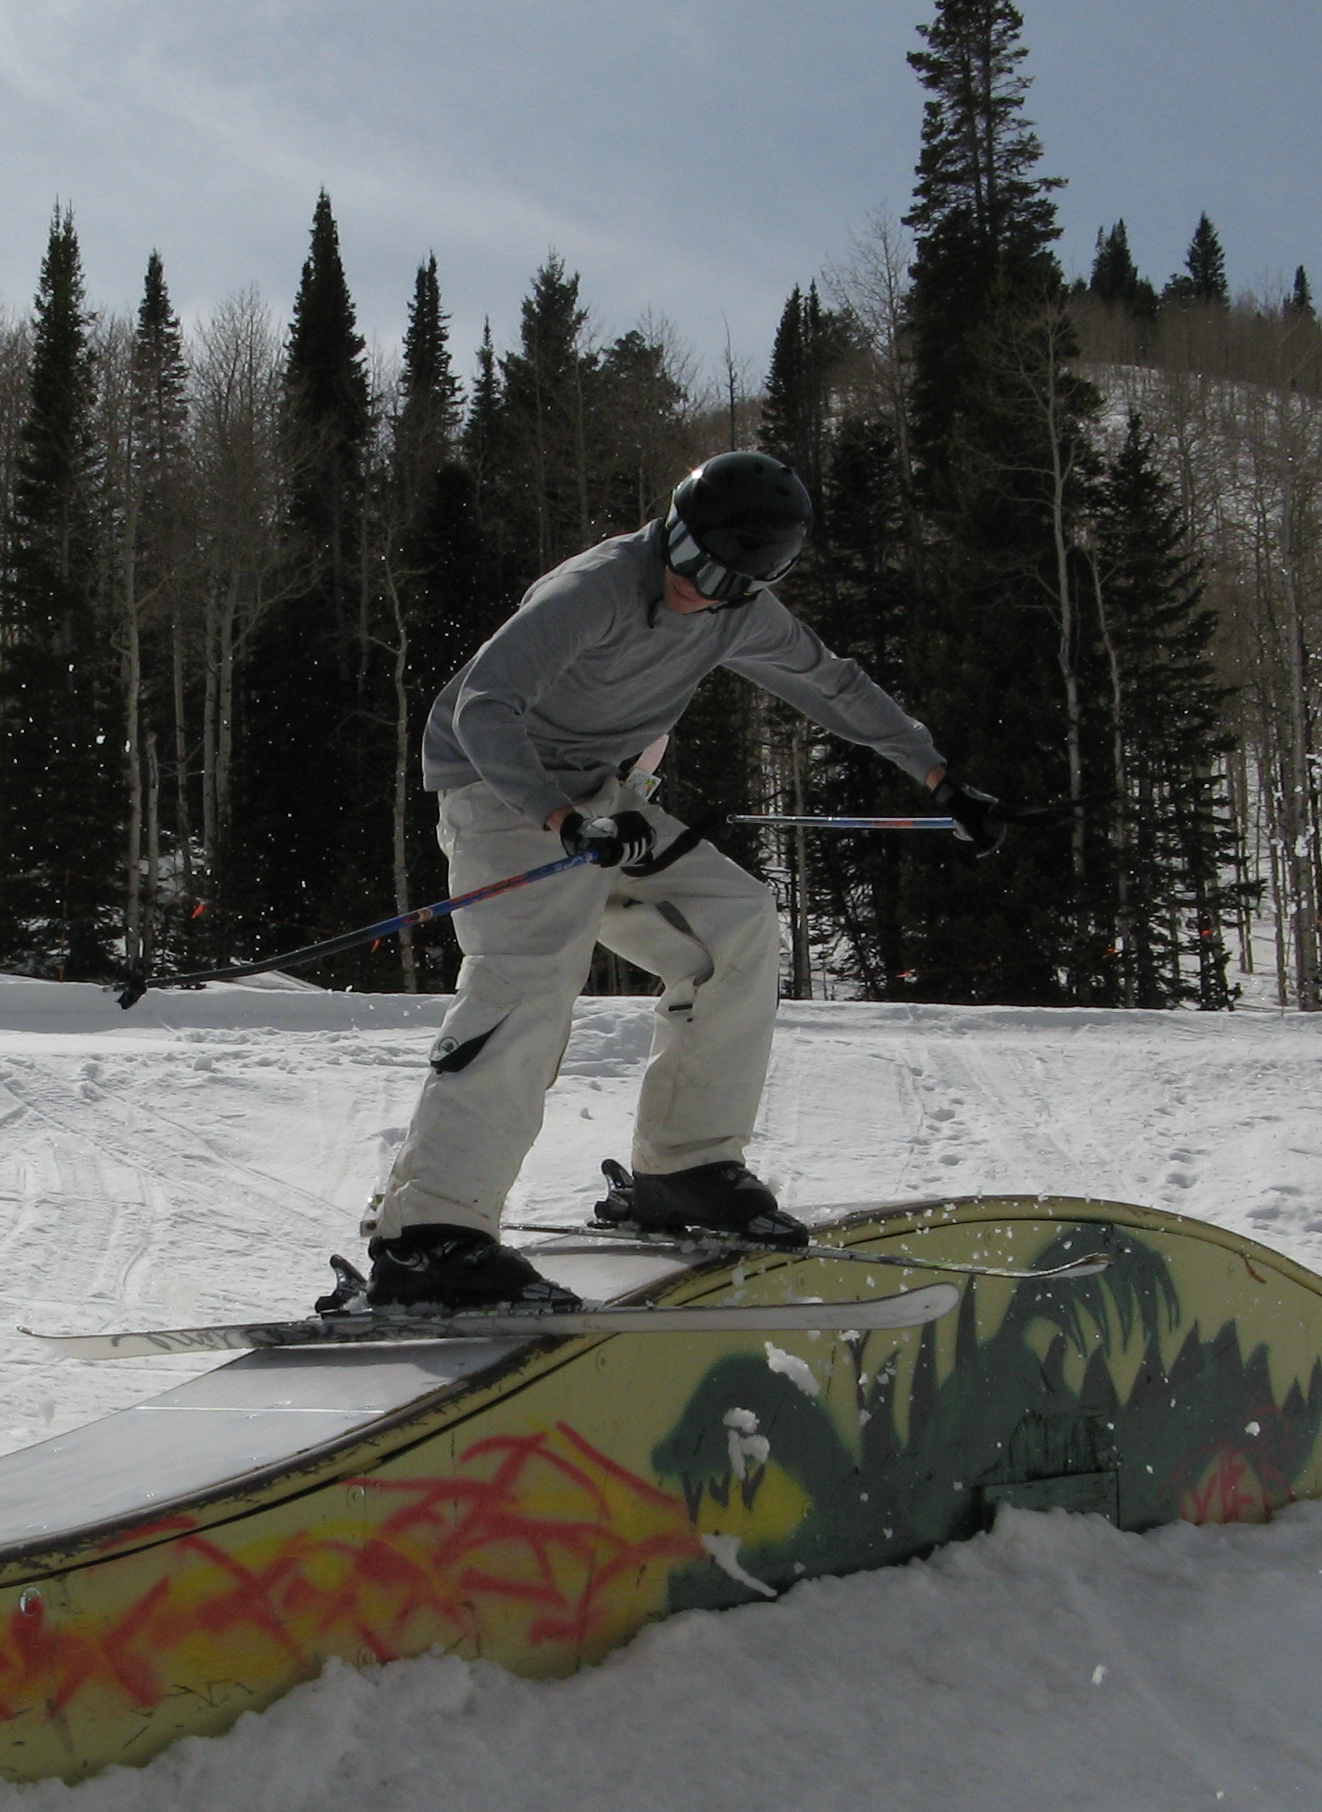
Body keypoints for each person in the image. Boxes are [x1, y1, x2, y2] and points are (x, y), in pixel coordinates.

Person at [360, 449, 1006, 1311]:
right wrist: (563, 819)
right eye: (689, 557)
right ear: (672, 524)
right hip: (500, 791)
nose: (695, 586)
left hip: (601, 800)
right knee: (529, 983)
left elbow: (833, 685)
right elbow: (485, 707)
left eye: (725, 577)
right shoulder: (596, 589)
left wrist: (939, 778)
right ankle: (427, 1238)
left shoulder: (737, 611)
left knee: (734, 924)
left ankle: (686, 1168)